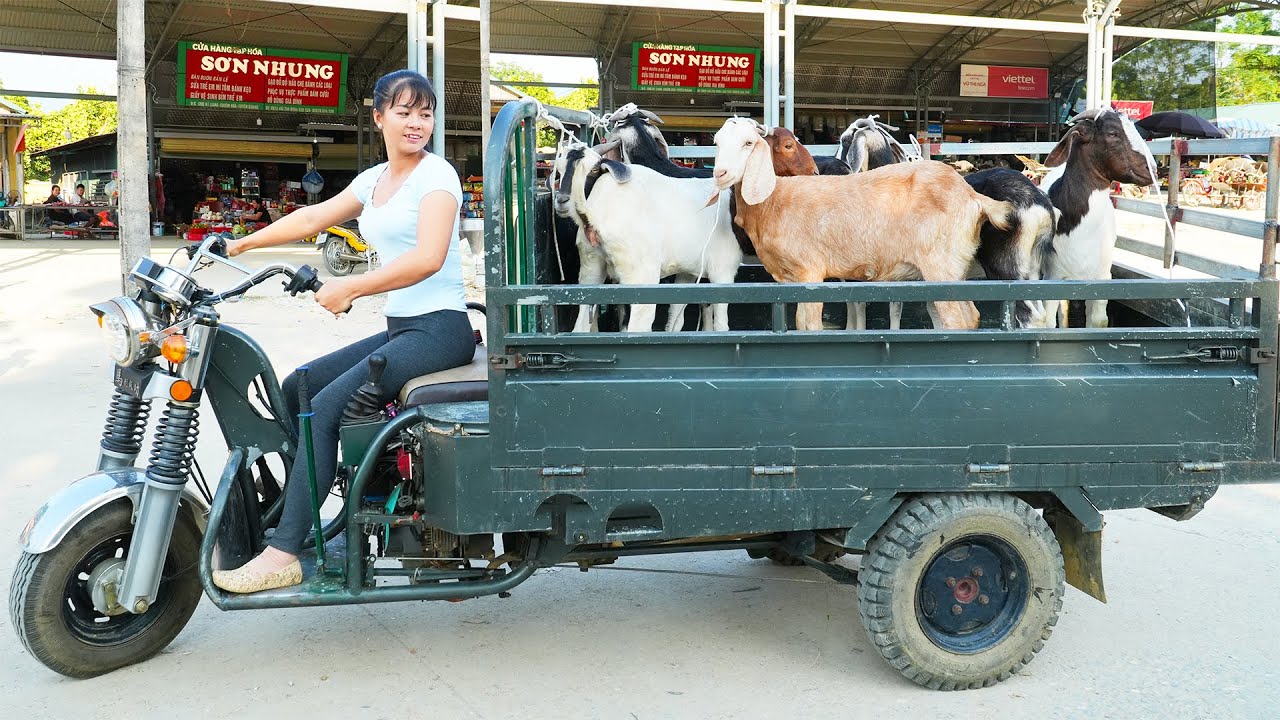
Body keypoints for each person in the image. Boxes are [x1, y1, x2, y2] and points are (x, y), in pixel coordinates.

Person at [211, 69, 475, 594]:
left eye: (425, 113)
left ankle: (284, 551)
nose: (416, 123)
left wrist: (352, 288)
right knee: (297, 387)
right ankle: (305, 505)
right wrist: (237, 245)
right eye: (403, 112)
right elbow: (312, 217)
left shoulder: (437, 177)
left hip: (441, 330)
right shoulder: (374, 180)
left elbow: (428, 258)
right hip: (404, 328)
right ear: (379, 118)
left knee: (326, 406)